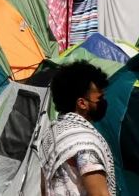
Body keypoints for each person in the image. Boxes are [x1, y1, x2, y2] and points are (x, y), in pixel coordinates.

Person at [41, 61, 114, 196]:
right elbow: (100, 194)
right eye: (99, 98)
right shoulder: (85, 143)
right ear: (82, 103)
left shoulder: (53, 131)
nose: (103, 102)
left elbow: (44, 186)